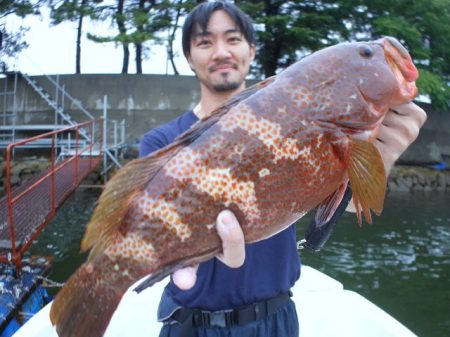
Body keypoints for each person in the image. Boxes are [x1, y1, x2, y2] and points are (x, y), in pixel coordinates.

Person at [139, 2, 427, 337]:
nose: (221, 51)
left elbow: (344, 204)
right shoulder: (162, 142)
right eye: (205, 42)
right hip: (189, 324)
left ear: (251, 49)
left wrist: (377, 159)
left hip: (275, 322)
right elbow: (147, 225)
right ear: (189, 57)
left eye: (233, 39)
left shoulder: (303, 114)